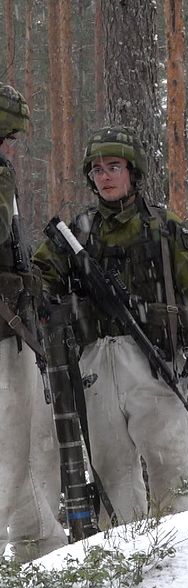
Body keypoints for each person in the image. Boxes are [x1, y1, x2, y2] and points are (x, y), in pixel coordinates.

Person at [34, 125, 188, 527]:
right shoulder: (77, 232)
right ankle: (124, 569)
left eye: (113, 166)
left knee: (175, 469)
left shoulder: (164, 227)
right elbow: (39, 275)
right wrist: (48, 297)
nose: (105, 176)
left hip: (155, 359)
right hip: (96, 361)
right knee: (113, 478)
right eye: (97, 170)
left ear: (132, 171)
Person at [0, 82, 67, 560]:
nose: (10, 148)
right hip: (5, 334)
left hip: (13, 327)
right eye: (8, 136)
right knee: (13, 445)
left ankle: (40, 546)